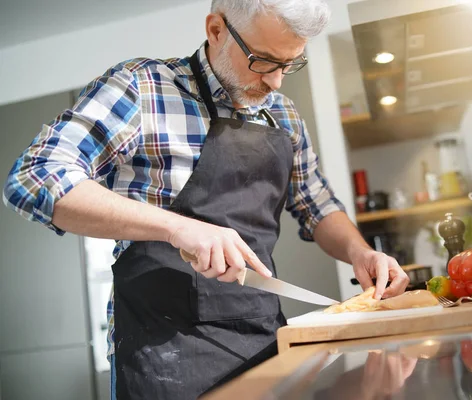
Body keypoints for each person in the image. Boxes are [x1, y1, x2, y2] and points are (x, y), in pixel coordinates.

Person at [3, 0, 409, 398]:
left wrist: (360, 252)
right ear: (216, 29)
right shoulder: (143, 88)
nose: (276, 81)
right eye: (263, 61)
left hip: (266, 340)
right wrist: (176, 227)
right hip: (162, 351)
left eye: (289, 64)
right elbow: (34, 178)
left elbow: (314, 203)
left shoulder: (283, 115)